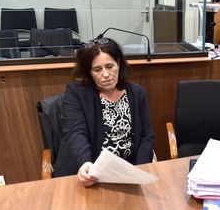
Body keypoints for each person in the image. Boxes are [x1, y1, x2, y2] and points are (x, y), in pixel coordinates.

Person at [54, 38, 154, 186]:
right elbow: (76, 132)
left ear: (118, 64)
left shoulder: (137, 93)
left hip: (127, 172)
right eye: (97, 69)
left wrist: (139, 171)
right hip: (90, 172)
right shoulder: (76, 92)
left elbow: (147, 136)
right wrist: (85, 163)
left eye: (109, 66)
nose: (106, 74)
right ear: (89, 71)